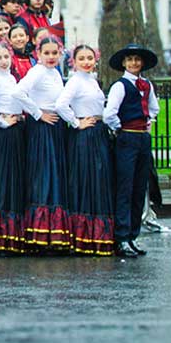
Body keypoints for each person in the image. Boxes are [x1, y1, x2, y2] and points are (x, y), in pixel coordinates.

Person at [103, 43, 160, 258]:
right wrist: (121, 128)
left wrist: (149, 121)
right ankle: (122, 237)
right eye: (130, 60)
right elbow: (110, 113)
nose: (134, 63)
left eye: (137, 59)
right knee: (125, 188)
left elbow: (154, 108)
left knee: (139, 187)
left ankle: (133, 235)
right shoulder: (120, 86)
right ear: (124, 63)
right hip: (127, 137)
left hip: (143, 139)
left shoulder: (146, 85)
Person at [56, 45, 114, 256]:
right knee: (87, 180)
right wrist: (76, 122)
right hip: (85, 135)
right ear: (74, 61)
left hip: (98, 133)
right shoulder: (75, 81)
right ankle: (83, 237)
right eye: (82, 58)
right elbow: (61, 105)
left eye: (90, 58)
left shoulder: (92, 81)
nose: (87, 62)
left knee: (98, 180)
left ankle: (98, 236)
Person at [0, 43, 35, 254]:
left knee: (14, 179)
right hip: (3, 134)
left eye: (6, 56)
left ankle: (13, 236)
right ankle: (0, 237)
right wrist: (1, 122)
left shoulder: (11, 79)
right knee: (3, 180)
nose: (3, 61)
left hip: (16, 132)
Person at [16, 36, 69, 251]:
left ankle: (54, 233)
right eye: (46, 53)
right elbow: (18, 92)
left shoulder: (55, 73)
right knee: (44, 175)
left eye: (54, 53)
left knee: (54, 174)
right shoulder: (37, 71)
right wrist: (38, 114)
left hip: (55, 127)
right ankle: (39, 234)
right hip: (42, 128)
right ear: (38, 53)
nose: (51, 57)